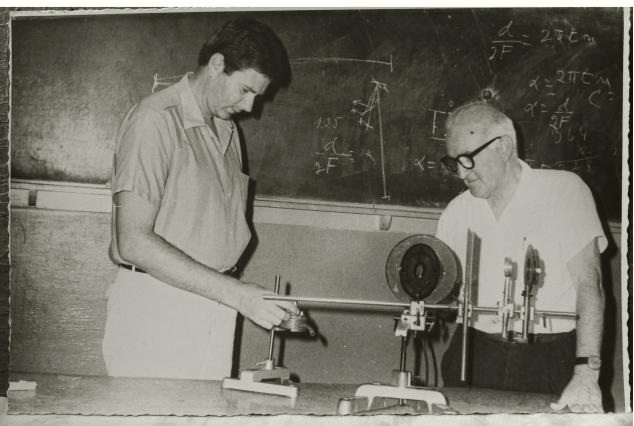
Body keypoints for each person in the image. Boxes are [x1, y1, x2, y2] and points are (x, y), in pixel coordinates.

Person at [102, 17, 298, 380]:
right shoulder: (155, 121)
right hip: (155, 313)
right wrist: (238, 295)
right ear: (217, 65)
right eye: (245, 90)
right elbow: (131, 241)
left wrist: (235, 296)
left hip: (214, 311)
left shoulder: (228, 131)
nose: (252, 106)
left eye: (258, 95)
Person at [435, 101, 606, 413]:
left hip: (550, 358)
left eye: (467, 159)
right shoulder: (457, 211)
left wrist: (586, 372)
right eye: (453, 162)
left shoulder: (565, 192)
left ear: (503, 147)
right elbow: (443, 295)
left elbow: (589, 285)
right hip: (473, 353)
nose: (460, 172)